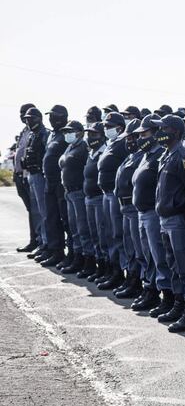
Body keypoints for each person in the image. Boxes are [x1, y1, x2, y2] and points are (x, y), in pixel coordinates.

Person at [153, 114, 185, 333]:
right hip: (166, 219)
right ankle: (179, 304)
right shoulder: (167, 155)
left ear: (174, 131)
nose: (159, 133)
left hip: (179, 220)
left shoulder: (184, 156)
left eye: (163, 129)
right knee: (173, 264)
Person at [131, 114, 172, 314]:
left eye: (144, 134)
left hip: (153, 214)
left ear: (155, 134)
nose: (140, 138)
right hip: (142, 213)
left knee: (159, 257)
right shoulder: (145, 155)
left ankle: (167, 296)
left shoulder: (159, 155)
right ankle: (151, 290)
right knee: (147, 255)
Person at [112, 119, 146, 299]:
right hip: (124, 206)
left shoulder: (143, 156)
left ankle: (140, 283)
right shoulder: (130, 156)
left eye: (132, 138)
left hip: (134, 207)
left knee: (139, 250)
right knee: (128, 246)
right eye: (127, 138)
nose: (129, 141)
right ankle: (132, 279)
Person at [96, 111, 129, 290]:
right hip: (106, 194)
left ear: (120, 127)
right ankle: (114, 270)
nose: (107, 129)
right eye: (105, 127)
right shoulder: (111, 143)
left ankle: (123, 275)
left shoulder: (122, 143)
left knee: (118, 235)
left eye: (110, 127)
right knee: (108, 233)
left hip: (115, 195)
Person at [58, 121, 91, 275]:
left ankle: (87, 261)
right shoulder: (70, 147)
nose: (67, 134)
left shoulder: (84, 147)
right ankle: (77, 257)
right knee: (73, 228)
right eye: (65, 131)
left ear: (79, 132)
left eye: (70, 131)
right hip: (69, 192)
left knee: (82, 228)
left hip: (78, 192)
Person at [41, 105, 70, 268]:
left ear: (61, 116)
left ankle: (71, 253)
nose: (50, 119)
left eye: (53, 116)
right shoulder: (53, 135)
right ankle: (55, 251)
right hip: (49, 182)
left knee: (65, 219)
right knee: (51, 218)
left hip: (60, 183)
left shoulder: (66, 134)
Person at [22, 108, 50, 263]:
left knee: (44, 212)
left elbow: (46, 155)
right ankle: (41, 241)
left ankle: (46, 244)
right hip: (32, 175)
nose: (28, 121)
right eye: (27, 119)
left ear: (39, 118)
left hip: (40, 175)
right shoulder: (32, 134)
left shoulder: (45, 134)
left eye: (31, 118)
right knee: (37, 212)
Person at [82, 122, 107, 280]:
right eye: (89, 134)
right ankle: (99, 266)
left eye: (94, 134)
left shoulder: (104, 152)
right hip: (89, 198)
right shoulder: (90, 153)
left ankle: (108, 269)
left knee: (102, 235)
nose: (91, 138)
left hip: (99, 199)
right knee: (93, 234)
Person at [13, 103, 39, 252]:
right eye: (21, 113)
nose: (23, 116)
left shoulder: (35, 132)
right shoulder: (24, 131)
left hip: (29, 176)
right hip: (19, 176)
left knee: (37, 211)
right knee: (31, 211)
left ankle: (38, 241)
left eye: (26, 114)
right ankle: (34, 240)